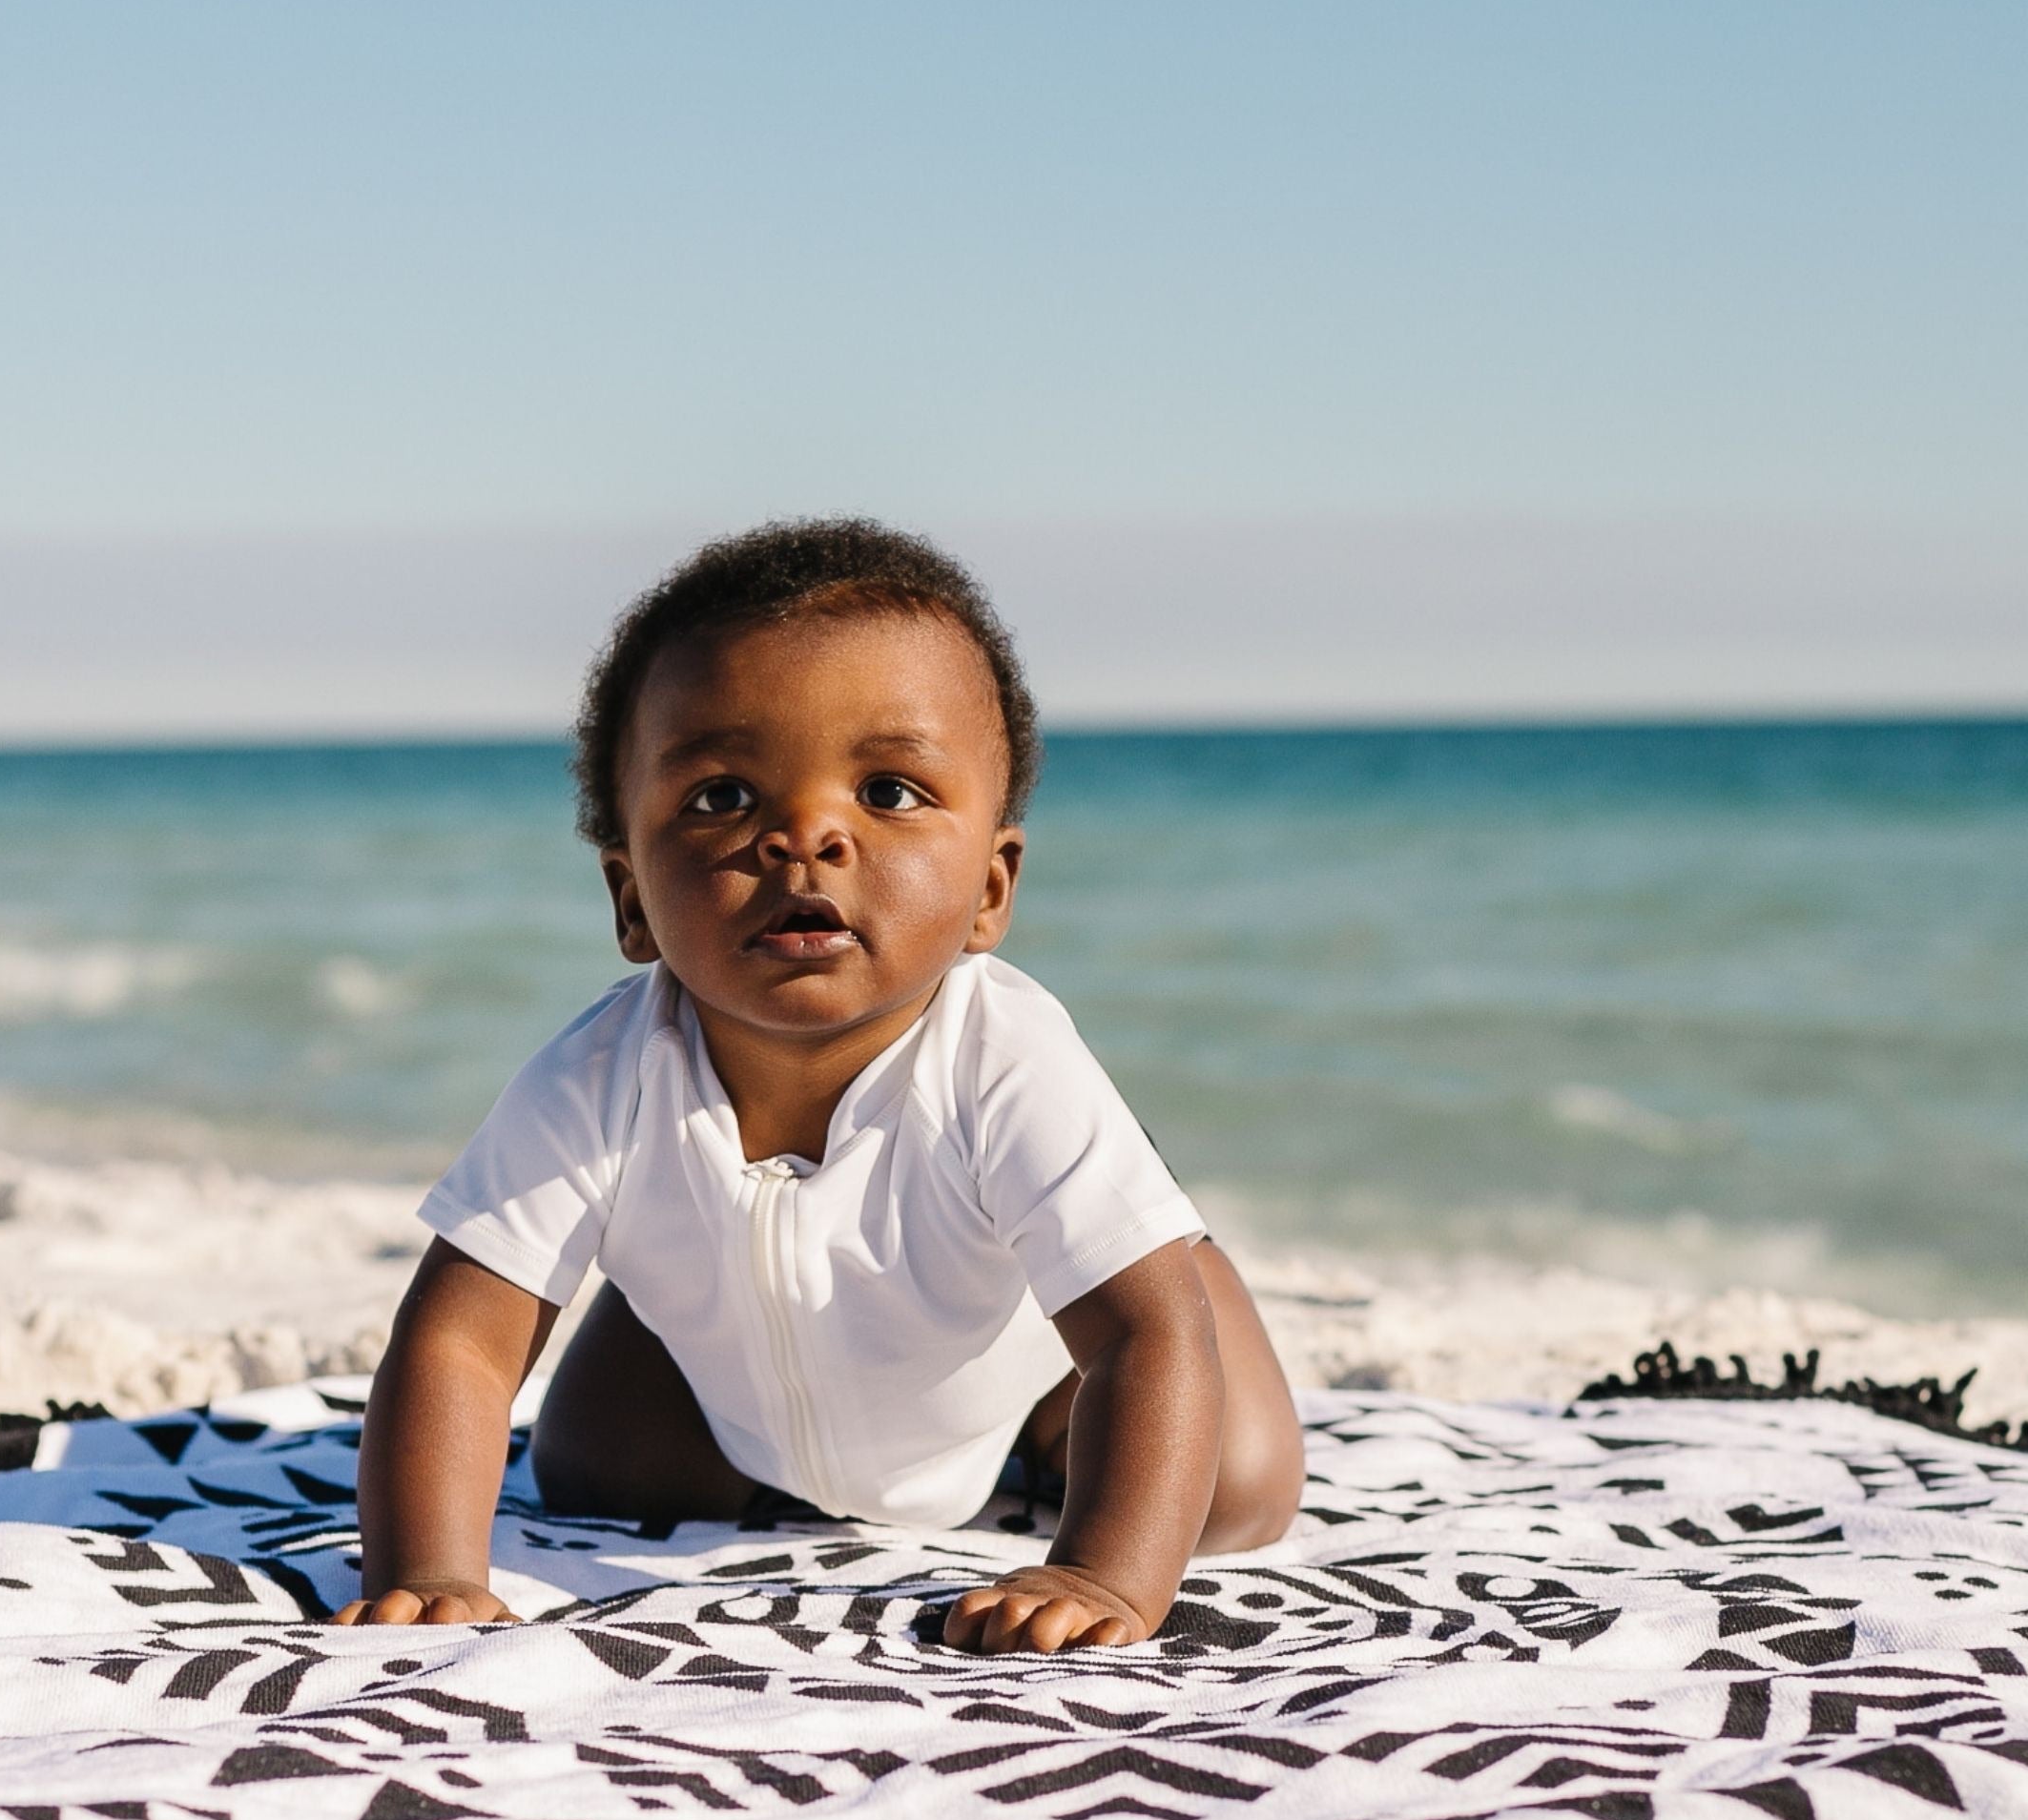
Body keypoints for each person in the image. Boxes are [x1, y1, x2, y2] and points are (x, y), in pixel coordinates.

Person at [338, 518, 1305, 1650]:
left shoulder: (1006, 1062)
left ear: (992, 889)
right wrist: (430, 1570)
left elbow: (1140, 1338)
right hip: (743, 1386)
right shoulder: (599, 1074)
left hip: (1028, 1359)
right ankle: (680, 1325)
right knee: (588, 1466)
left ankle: (1148, 1300)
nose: (805, 836)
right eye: (720, 798)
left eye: (889, 792)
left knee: (1234, 1488)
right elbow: (458, 1340)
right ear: (632, 900)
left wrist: (1103, 1576)